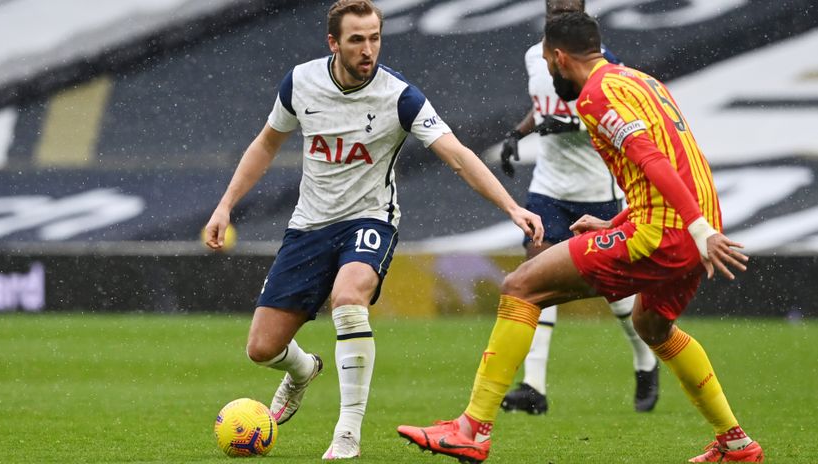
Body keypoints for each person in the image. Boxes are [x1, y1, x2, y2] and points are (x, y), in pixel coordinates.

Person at [397, 11, 764, 463]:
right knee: (652, 325)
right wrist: (623, 223)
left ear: (558, 57)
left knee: (520, 287)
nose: (552, 77)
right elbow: (680, 158)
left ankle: (472, 429)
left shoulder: (594, 96)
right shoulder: (641, 82)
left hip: (671, 231)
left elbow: (652, 161)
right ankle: (736, 444)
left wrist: (695, 227)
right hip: (685, 224)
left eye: (551, 67)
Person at [203, 0, 543, 460]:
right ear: (334, 43)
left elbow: (458, 155)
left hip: (370, 220)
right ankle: (304, 370)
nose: (368, 49)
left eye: (375, 37)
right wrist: (225, 206)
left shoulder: (400, 96)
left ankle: (347, 433)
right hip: (309, 225)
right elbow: (266, 144)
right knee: (262, 349)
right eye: (357, 40)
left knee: (348, 300)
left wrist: (510, 206)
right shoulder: (301, 82)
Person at [498, 0, 658, 415]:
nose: (559, 10)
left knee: (614, 290)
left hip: (595, 188)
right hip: (548, 187)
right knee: (533, 273)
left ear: (583, 9)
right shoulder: (535, 54)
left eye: (568, 5)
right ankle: (533, 386)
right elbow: (547, 103)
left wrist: (567, 125)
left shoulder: (606, 63)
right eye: (555, 4)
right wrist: (519, 132)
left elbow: (616, 117)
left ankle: (645, 360)